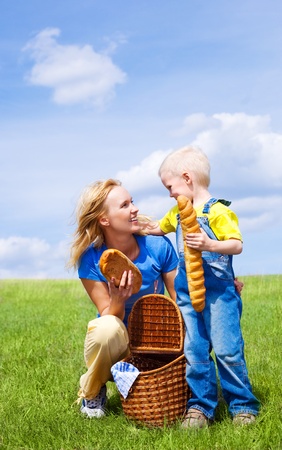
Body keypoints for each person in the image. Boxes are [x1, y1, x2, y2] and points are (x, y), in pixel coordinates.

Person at [144, 145, 260, 428]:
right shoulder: (178, 213)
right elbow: (158, 227)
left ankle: (242, 405)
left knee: (226, 350)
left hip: (219, 295)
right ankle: (200, 406)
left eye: (170, 186)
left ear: (187, 178)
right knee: (195, 350)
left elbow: (236, 245)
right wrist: (137, 226)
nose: (170, 193)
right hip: (186, 294)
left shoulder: (218, 211)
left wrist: (209, 244)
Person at [67, 179, 178, 418]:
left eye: (133, 202)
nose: (135, 209)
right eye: (124, 205)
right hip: (119, 343)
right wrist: (117, 299)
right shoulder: (91, 259)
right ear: (104, 220)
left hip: (157, 336)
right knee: (105, 328)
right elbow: (108, 313)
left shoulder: (158, 246)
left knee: (197, 321)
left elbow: (180, 300)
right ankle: (93, 390)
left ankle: (199, 389)